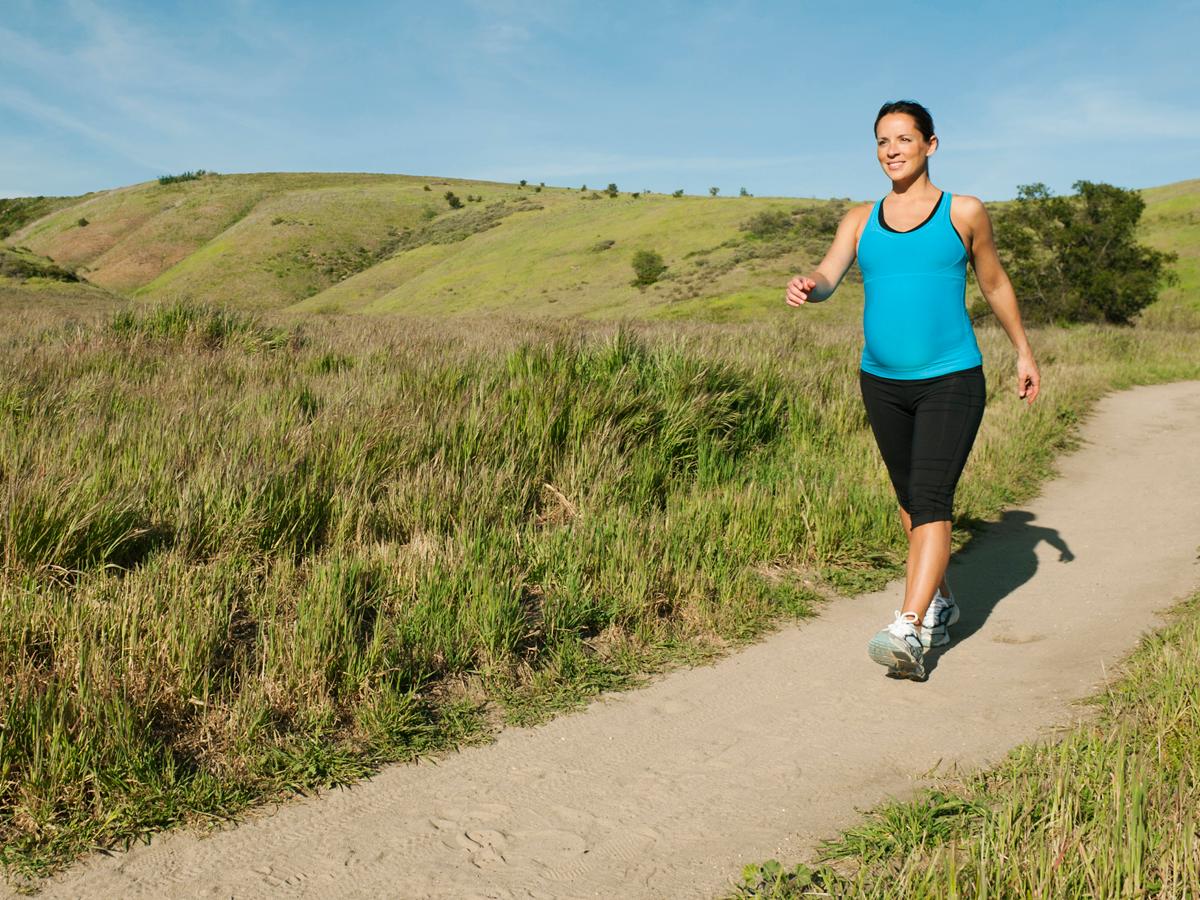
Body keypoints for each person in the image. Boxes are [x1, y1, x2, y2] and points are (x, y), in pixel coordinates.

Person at [784, 99, 1040, 680]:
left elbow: (995, 283)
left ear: (930, 144)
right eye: (882, 141)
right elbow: (829, 276)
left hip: (950, 377)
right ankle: (942, 603)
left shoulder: (963, 212)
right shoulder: (859, 218)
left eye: (903, 138)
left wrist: (1023, 351)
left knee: (929, 498)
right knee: (909, 500)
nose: (891, 149)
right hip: (881, 380)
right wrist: (810, 284)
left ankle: (909, 625)